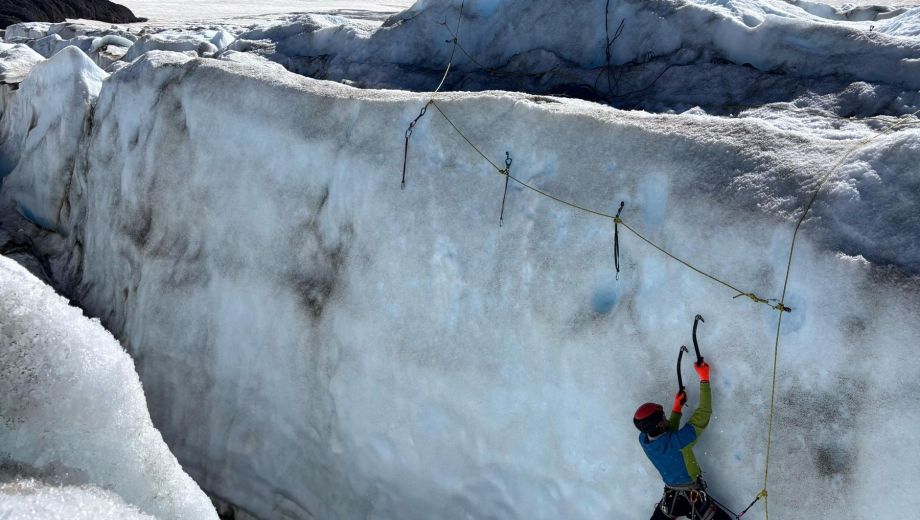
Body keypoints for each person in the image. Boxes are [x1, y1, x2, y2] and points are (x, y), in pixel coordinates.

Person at [633, 360, 733, 520]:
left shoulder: (644, 440)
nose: (666, 419)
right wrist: (704, 379)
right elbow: (704, 412)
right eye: (664, 417)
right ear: (659, 424)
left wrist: (677, 409)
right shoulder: (680, 441)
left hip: (671, 499)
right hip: (693, 497)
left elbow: (666, 436)